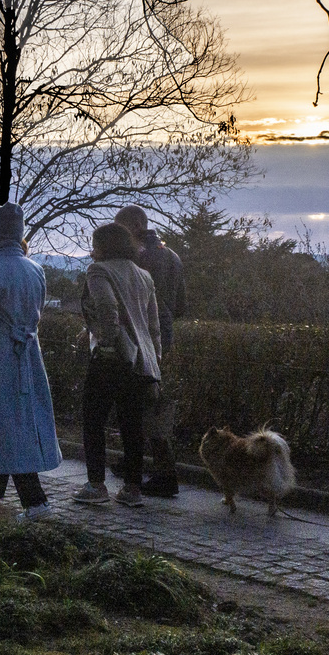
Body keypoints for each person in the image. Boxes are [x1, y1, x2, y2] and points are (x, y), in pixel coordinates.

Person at [0, 203, 62, 522]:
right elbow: (37, 314)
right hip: (29, 356)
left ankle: (35, 502)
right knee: (19, 423)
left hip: (0, 359)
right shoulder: (35, 270)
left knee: (6, 426)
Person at [75, 222, 161, 508]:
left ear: (103, 246)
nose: (92, 250)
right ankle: (132, 489)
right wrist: (155, 357)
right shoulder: (144, 276)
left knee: (93, 419)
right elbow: (153, 325)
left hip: (113, 358)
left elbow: (107, 308)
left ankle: (96, 485)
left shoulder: (98, 271)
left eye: (94, 244)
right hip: (142, 359)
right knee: (131, 424)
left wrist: (106, 344)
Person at [113, 205, 188, 497]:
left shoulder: (139, 257)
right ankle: (139, 463)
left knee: (143, 403)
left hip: (140, 334)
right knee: (147, 398)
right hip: (161, 333)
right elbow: (180, 305)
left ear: (134, 227)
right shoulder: (173, 256)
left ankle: (164, 473)